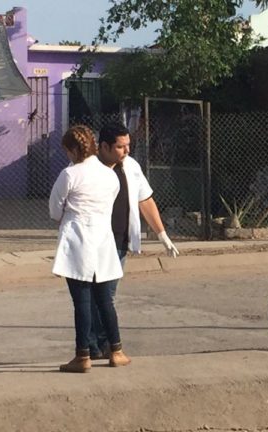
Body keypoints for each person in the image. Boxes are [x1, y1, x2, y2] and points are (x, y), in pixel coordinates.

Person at [88, 122, 179, 360]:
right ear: (104, 147)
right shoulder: (86, 167)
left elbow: (145, 200)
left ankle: (98, 343)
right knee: (95, 294)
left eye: (128, 145)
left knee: (107, 293)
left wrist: (162, 235)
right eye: (121, 147)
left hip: (119, 241)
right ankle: (99, 343)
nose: (127, 151)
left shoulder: (131, 166)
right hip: (92, 240)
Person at [49, 125, 131, 373]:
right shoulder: (109, 175)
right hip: (103, 241)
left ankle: (82, 355)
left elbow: (54, 211)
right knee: (105, 299)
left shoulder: (69, 174)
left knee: (82, 301)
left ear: (73, 149)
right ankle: (116, 351)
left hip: (77, 241)